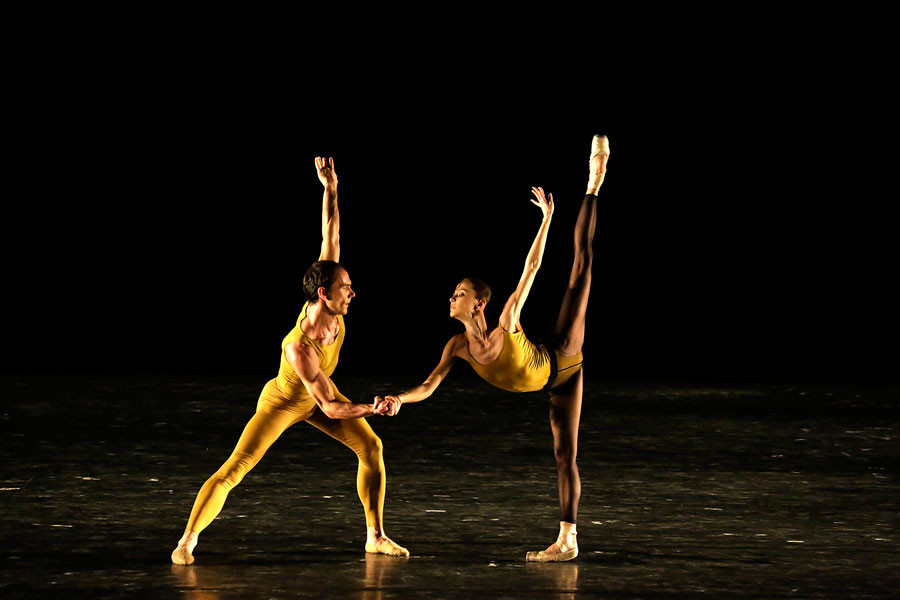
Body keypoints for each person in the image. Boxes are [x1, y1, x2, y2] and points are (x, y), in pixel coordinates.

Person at [374, 135, 610, 562]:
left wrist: (546, 220)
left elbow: (531, 268)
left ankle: (594, 181)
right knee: (562, 454)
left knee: (580, 268)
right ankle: (567, 542)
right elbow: (428, 386)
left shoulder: (506, 321)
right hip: (549, 384)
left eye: (460, 293)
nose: (452, 298)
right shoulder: (458, 346)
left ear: (479, 304)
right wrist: (399, 399)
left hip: (562, 360)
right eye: (453, 293)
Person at [171, 157, 408, 565]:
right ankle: (186, 542)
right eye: (346, 288)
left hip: (319, 395)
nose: (352, 293)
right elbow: (329, 406)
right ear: (324, 294)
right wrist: (372, 408)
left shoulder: (329, 295)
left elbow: (331, 233)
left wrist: (330, 187)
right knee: (236, 467)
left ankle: (375, 536)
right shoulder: (299, 347)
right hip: (284, 402)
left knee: (371, 447)